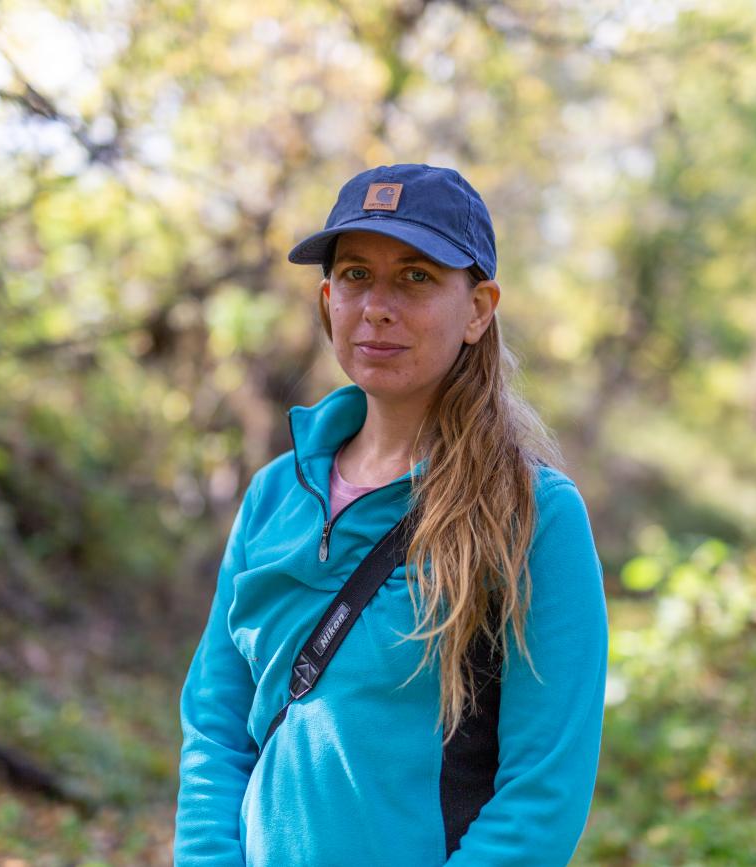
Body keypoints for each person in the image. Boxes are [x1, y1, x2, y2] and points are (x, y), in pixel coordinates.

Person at [174, 163, 609, 866]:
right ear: (326, 302)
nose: (377, 305)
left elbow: (542, 796)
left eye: (415, 277)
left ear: (478, 308)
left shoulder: (535, 516)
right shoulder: (272, 496)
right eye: (354, 276)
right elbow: (215, 728)